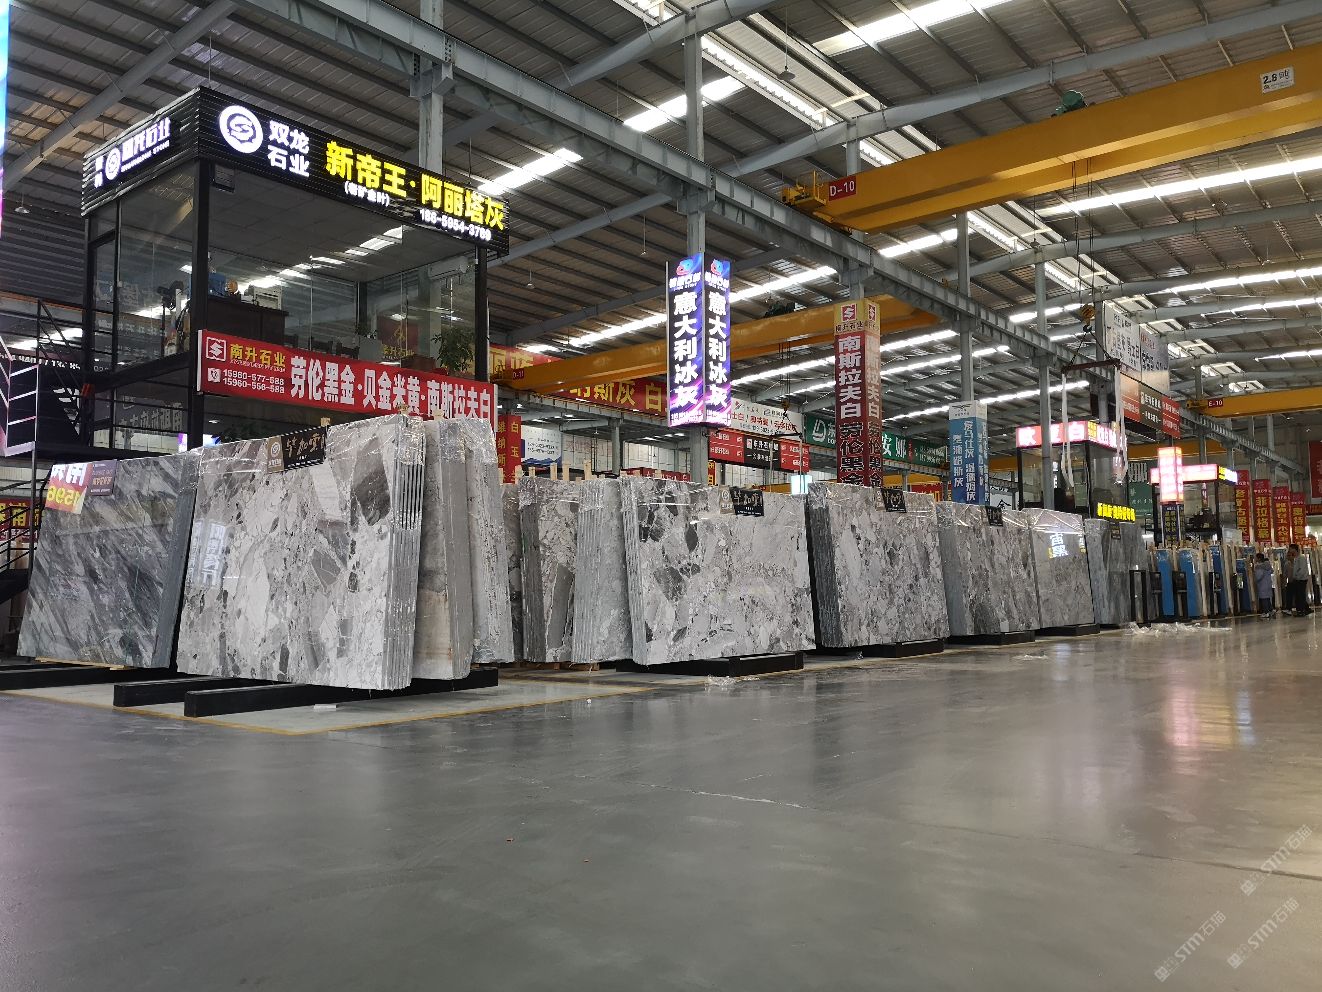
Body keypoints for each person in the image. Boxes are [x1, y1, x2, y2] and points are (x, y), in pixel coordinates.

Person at [1286, 544, 1312, 617]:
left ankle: (1301, 611)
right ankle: (1303, 609)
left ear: (1294, 549)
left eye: (1290, 549)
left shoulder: (1301, 558)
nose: (1289, 550)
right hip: (1297, 579)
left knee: (1300, 595)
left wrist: (1296, 576)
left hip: (1301, 579)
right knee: (1298, 595)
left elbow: (1302, 570)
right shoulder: (1296, 558)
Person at [1253, 553, 1276, 618]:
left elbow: (1259, 576)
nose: (1255, 559)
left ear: (1259, 558)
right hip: (1268, 584)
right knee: (1267, 598)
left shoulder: (1259, 566)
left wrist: (1255, 579)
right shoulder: (1268, 565)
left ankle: (1266, 612)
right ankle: (1271, 610)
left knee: (1263, 599)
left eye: (1256, 557)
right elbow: (1271, 571)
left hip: (1262, 585)